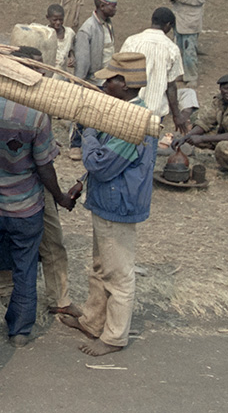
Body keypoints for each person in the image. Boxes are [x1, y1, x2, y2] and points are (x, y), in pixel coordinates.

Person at [0, 48, 74, 346]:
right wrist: (61, 197)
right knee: (25, 267)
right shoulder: (35, 114)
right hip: (24, 209)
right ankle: (19, 331)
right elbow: (45, 167)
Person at [59, 52, 156, 357]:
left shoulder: (132, 122)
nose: (103, 84)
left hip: (118, 205)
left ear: (124, 84)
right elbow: (98, 167)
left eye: (109, 79)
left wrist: (88, 129)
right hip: (107, 200)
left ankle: (114, 337)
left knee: (119, 275)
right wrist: (82, 180)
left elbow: (101, 164)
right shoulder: (121, 111)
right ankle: (92, 320)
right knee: (101, 266)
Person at [120, 8, 193, 131]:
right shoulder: (172, 49)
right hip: (155, 111)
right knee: (148, 146)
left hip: (130, 108)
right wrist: (176, 115)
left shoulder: (132, 41)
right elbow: (171, 86)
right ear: (168, 25)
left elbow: (120, 73)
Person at [70, 0, 118, 159]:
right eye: (112, 6)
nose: (115, 9)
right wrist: (79, 83)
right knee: (84, 112)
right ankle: (75, 144)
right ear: (101, 6)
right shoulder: (87, 29)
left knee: (101, 113)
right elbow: (82, 61)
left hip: (106, 78)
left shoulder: (108, 24)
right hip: (92, 78)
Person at [169, 0, 210, 83]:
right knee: (178, 50)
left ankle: (192, 77)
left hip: (191, 18)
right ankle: (181, 73)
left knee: (190, 51)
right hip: (177, 16)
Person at [47, 4, 74, 70]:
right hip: (50, 70)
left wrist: (72, 57)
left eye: (61, 19)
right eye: (55, 20)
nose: (58, 22)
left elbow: (71, 48)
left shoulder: (70, 33)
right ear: (47, 17)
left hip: (64, 71)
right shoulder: (45, 34)